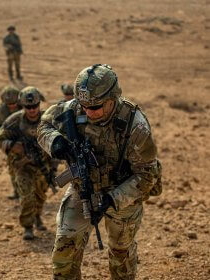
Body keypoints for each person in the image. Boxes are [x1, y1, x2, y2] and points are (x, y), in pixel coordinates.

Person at [37, 64, 162, 279]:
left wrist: (112, 199)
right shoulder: (72, 109)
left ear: (113, 98)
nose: (87, 111)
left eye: (95, 107)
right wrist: (54, 141)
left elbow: (147, 175)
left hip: (121, 193)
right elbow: (43, 126)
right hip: (81, 190)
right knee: (64, 251)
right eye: (84, 105)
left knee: (121, 253)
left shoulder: (135, 125)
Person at [0, 86, 53, 240]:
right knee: (27, 196)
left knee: (40, 196)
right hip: (22, 166)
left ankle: (37, 216)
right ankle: (28, 226)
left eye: (35, 106)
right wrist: (12, 146)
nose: (32, 110)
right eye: (28, 107)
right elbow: (0, 139)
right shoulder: (14, 121)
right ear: (23, 106)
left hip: (42, 165)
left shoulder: (47, 119)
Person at [0, 86, 22, 199]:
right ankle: (17, 192)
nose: (12, 106)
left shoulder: (25, 107)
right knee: (13, 167)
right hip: (9, 144)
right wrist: (1, 133)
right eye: (9, 104)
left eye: (14, 103)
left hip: (26, 141)